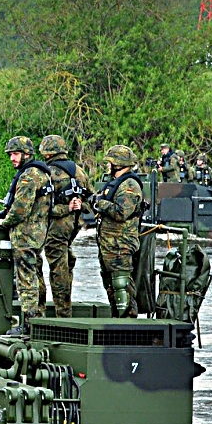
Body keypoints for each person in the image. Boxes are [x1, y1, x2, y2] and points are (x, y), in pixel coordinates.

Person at [0, 135, 51, 336]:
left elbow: (20, 209)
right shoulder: (42, 173)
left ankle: (29, 324)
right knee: (36, 275)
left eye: (16, 154)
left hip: (25, 235)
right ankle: (39, 318)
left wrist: (4, 222)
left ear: (26, 154)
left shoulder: (28, 176)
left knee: (26, 279)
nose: (12, 158)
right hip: (38, 233)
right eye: (10, 154)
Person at [90, 145, 145, 318]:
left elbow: (121, 213)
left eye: (110, 162)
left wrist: (99, 202)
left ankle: (126, 319)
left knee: (121, 283)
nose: (108, 165)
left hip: (121, 243)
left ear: (119, 163)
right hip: (109, 243)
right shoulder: (115, 182)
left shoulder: (129, 185)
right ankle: (117, 317)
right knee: (110, 283)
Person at [40, 134, 89, 317]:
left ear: (47, 153)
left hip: (55, 229)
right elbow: (91, 200)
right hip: (74, 228)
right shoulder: (79, 171)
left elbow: (42, 208)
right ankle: (65, 308)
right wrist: (79, 205)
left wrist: (65, 208)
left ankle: (63, 314)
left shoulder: (47, 173)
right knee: (66, 264)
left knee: (58, 270)